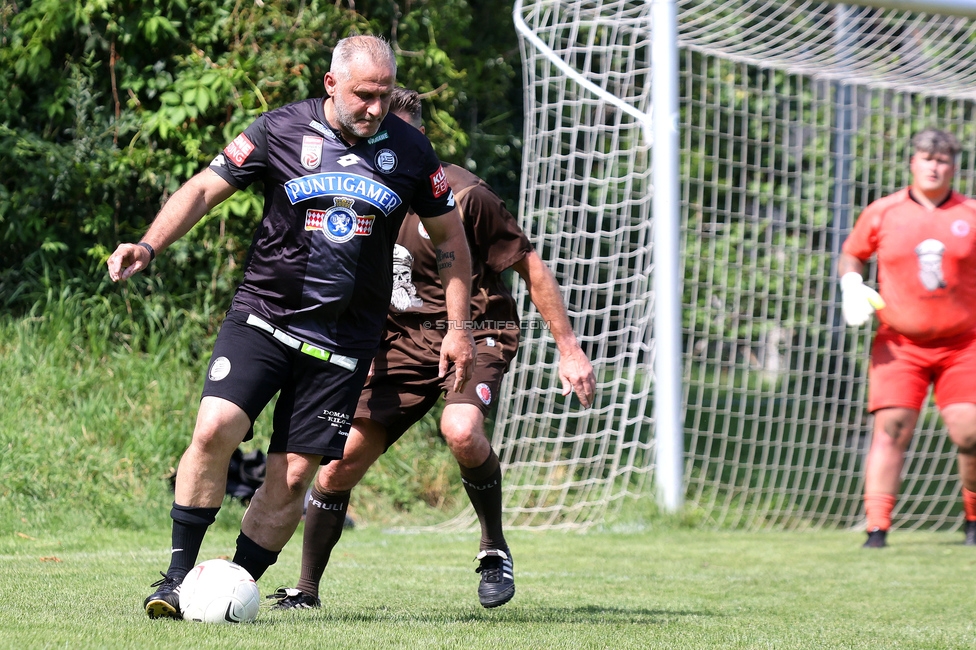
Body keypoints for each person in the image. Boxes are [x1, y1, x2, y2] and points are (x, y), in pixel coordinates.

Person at [106, 36, 477, 619]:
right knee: (214, 428)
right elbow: (204, 188)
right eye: (364, 95)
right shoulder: (279, 129)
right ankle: (177, 579)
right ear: (331, 85)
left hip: (343, 342)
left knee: (295, 472)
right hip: (264, 318)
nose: (376, 107)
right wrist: (149, 246)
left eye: (384, 95)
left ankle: (231, 589)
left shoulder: (412, 151)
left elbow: (452, 239)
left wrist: (459, 328)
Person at [268, 87, 596, 611]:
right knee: (339, 461)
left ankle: (493, 547)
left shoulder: (466, 197)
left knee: (462, 433)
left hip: (475, 328)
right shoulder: (361, 189)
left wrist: (570, 349)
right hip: (397, 341)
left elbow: (529, 265)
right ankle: (305, 590)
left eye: (389, 134)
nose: (376, 143)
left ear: (416, 137)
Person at [839, 127, 976, 549]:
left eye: (942, 160)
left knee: (970, 432)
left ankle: (973, 519)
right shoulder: (882, 212)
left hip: (964, 344)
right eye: (926, 158)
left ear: (953, 167)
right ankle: (876, 529)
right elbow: (853, 253)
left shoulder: (971, 213)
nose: (934, 166)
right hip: (899, 343)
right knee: (892, 428)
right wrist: (850, 283)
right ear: (911, 163)